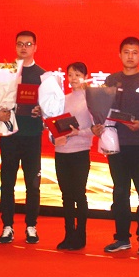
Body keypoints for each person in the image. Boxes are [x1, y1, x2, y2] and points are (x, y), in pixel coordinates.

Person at [102, 37, 139, 254]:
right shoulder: (111, 80)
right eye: (126, 52)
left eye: (134, 52)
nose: (130, 56)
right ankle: (122, 237)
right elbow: (102, 109)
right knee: (120, 192)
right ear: (120, 54)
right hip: (117, 144)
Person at [0, 30, 46, 245]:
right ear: (15, 46)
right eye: (20, 44)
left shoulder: (43, 75)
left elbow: (51, 107)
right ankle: (7, 226)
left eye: (28, 44)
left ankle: (31, 226)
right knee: (7, 183)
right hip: (10, 135)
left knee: (32, 184)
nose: (23, 48)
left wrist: (42, 110)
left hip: (32, 136)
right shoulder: (5, 73)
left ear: (35, 47)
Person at [54, 63, 95, 251]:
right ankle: (68, 234)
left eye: (77, 74)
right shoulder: (62, 99)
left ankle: (81, 235)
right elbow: (54, 126)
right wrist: (53, 133)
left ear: (85, 76)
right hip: (61, 152)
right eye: (70, 75)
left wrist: (78, 133)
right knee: (66, 196)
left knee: (79, 194)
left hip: (80, 151)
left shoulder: (91, 100)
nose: (73, 78)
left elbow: (96, 129)